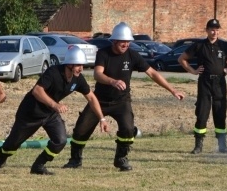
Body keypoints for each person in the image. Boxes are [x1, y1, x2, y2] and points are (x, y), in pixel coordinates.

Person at [61, 22, 185, 171]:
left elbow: (152, 73)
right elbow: (97, 74)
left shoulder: (133, 55)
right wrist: (113, 81)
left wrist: (172, 90)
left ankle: (121, 159)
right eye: (123, 41)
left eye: (128, 41)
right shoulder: (103, 53)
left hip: (122, 101)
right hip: (100, 100)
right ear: (114, 41)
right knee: (81, 129)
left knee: (127, 129)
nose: (126, 44)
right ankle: (75, 160)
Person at [0, 46, 109, 175]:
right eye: (78, 65)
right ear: (69, 64)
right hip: (31, 112)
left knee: (60, 140)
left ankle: (39, 166)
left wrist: (102, 118)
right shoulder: (53, 72)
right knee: (12, 144)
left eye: (82, 65)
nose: (81, 68)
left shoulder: (78, 79)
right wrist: (55, 105)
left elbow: (91, 98)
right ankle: (1, 160)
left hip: (50, 114)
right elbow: (37, 91)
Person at [178, 18, 227, 154]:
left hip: (219, 82)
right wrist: (193, 71)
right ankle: (198, 145)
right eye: (212, 29)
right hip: (204, 82)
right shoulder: (199, 45)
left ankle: (222, 145)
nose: (214, 32)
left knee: (220, 112)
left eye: (217, 29)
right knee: (202, 113)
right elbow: (181, 59)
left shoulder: (224, 45)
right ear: (207, 30)